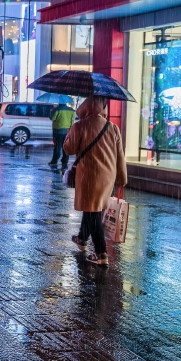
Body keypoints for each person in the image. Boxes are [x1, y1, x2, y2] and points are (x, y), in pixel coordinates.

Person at [63, 97, 128, 265]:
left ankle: (101, 253)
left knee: (93, 212)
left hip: (88, 176)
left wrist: (69, 133)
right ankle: (82, 238)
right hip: (108, 176)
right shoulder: (112, 127)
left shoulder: (79, 126)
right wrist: (122, 178)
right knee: (93, 206)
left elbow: (68, 149)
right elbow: (120, 156)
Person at [50, 102, 76, 167]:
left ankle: (54, 160)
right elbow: (72, 121)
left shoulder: (57, 109)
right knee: (66, 146)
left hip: (58, 131)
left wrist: (51, 111)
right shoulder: (71, 110)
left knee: (57, 146)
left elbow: (52, 118)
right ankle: (65, 160)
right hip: (67, 131)